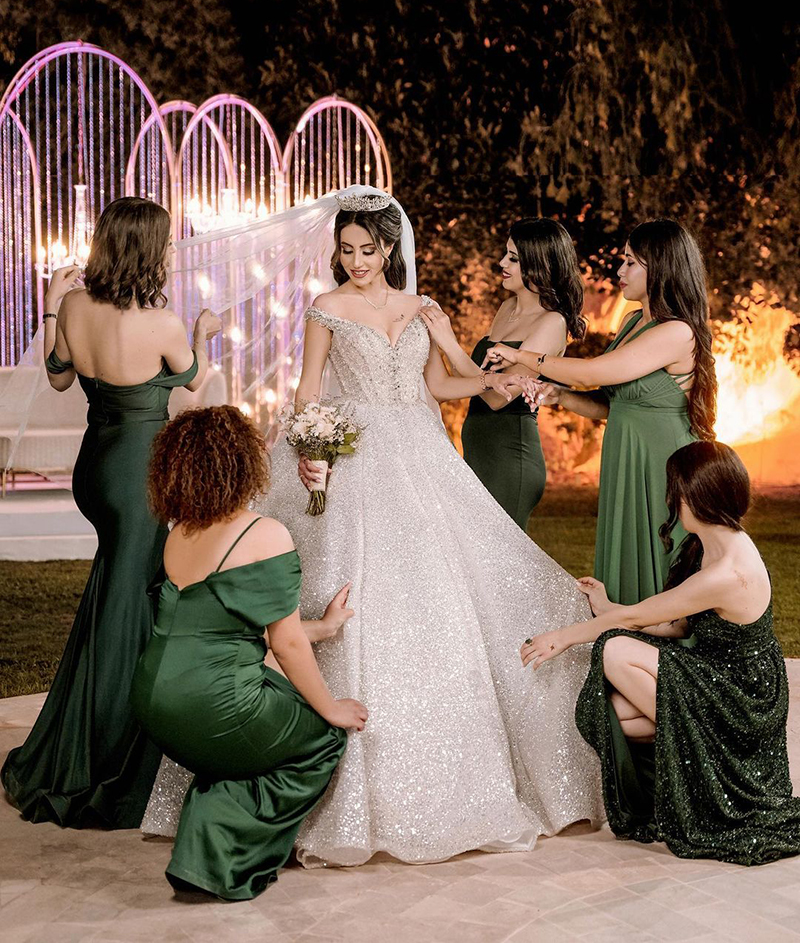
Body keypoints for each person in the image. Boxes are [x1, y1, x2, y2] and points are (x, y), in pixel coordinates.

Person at [144, 185, 604, 866]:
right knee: (357, 584)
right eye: (347, 249)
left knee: (450, 586)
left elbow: (442, 387)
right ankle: (341, 782)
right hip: (354, 452)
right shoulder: (327, 307)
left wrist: (463, 355)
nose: (356, 261)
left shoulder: (421, 307)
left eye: (368, 249)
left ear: (391, 248)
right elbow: (309, 387)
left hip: (422, 452)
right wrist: (310, 450)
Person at [1, 197, 221, 829]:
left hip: (94, 471)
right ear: (148, 251)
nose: (173, 252)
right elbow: (191, 384)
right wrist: (203, 335)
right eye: (167, 243)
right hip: (138, 477)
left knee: (116, 600)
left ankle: (87, 730)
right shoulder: (162, 323)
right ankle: (108, 755)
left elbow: (58, 377)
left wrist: (50, 302)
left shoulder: (74, 306)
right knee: (129, 611)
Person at [521, 441, 800, 865]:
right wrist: (609, 608)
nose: (671, 500)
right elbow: (678, 624)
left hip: (744, 697)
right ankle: (701, 745)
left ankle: (710, 746)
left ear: (695, 497)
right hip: (719, 676)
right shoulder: (712, 543)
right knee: (611, 714)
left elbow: (637, 621)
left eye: (676, 491)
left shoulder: (728, 571)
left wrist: (562, 637)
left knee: (615, 650)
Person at [131, 406, 365, 900]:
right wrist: (331, 709)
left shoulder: (179, 532)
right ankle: (222, 861)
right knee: (320, 741)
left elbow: (221, 625)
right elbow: (285, 643)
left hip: (154, 703)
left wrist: (324, 626)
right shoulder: (263, 533)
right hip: (214, 704)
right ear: (241, 464)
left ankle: (200, 850)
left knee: (235, 749)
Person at [487, 219, 717, 603]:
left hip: (663, 465)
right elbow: (612, 403)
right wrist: (561, 396)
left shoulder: (677, 331)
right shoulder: (632, 322)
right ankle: (623, 630)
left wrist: (522, 356)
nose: (620, 270)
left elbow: (593, 372)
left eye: (631, 263)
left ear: (661, 268)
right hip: (625, 458)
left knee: (662, 562)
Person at [419, 218, 586, 529]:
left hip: (510, 458)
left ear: (539, 265)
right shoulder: (507, 307)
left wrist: (449, 342)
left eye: (514, 258)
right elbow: (470, 379)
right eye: (505, 254)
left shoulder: (552, 322)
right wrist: (430, 340)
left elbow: (498, 397)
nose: (502, 263)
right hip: (478, 451)